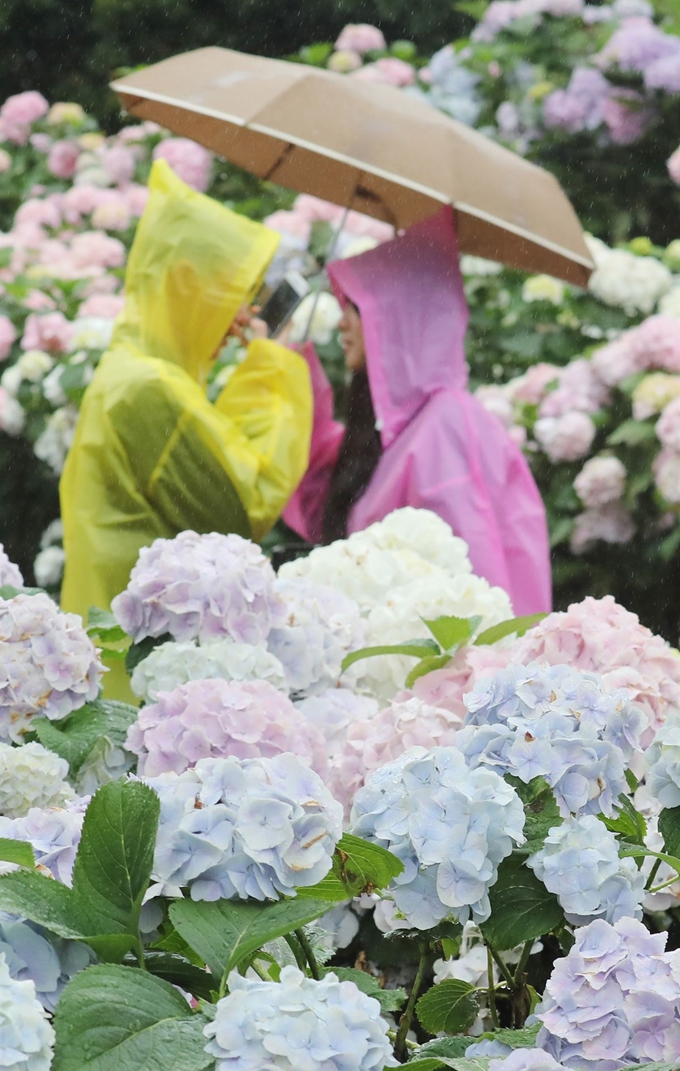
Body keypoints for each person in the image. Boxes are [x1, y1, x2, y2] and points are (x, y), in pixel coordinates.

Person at [60, 158, 313, 629]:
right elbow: (242, 507)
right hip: (131, 658)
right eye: (234, 291)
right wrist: (273, 365)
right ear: (190, 287)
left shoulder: (137, 368)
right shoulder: (149, 385)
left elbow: (214, 460)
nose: (243, 314)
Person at [284, 206, 552, 615]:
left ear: (397, 319)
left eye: (355, 307)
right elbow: (322, 479)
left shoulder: (445, 428)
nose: (342, 323)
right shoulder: (410, 427)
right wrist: (284, 363)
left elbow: (471, 588)